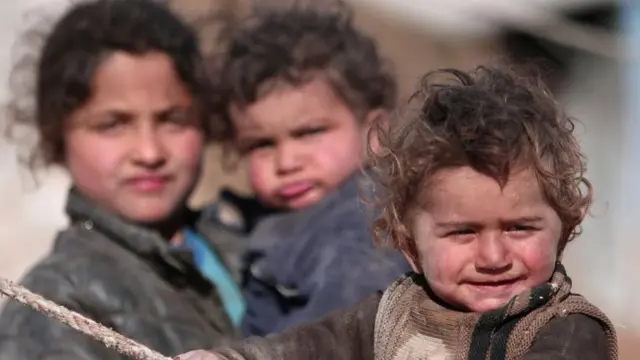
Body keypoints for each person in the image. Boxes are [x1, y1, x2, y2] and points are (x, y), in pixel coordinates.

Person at [176, 65, 618, 359]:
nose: (493, 255)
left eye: (520, 228)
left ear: (563, 230)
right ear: (408, 245)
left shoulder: (566, 332)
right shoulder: (392, 312)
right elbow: (308, 347)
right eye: (462, 232)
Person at [0, 1, 242, 358]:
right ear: (56, 135)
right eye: (112, 124)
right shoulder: (55, 306)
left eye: (172, 119)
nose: (149, 153)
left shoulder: (252, 246)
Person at [207, 2, 410, 336]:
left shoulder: (361, 232)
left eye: (309, 133)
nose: (287, 163)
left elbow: (339, 341)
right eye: (261, 145)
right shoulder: (275, 219)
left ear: (375, 133)